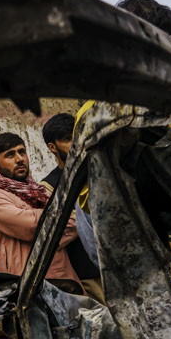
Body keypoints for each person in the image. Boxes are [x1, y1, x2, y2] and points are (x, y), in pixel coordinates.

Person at [0, 132, 82, 292]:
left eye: (22, 152)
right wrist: (54, 229)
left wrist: (51, 229)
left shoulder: (42, 192)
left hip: (64, 280)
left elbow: (75, 225)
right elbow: (32, 227)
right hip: (26, 287)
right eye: (10, 155)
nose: (19, 159)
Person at [39, 113, 104, 302]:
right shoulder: (49, 186)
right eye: (68, 140)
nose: (76, 143)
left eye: (77, 136)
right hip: (87, 273)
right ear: (52, 147)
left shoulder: (97, 168)